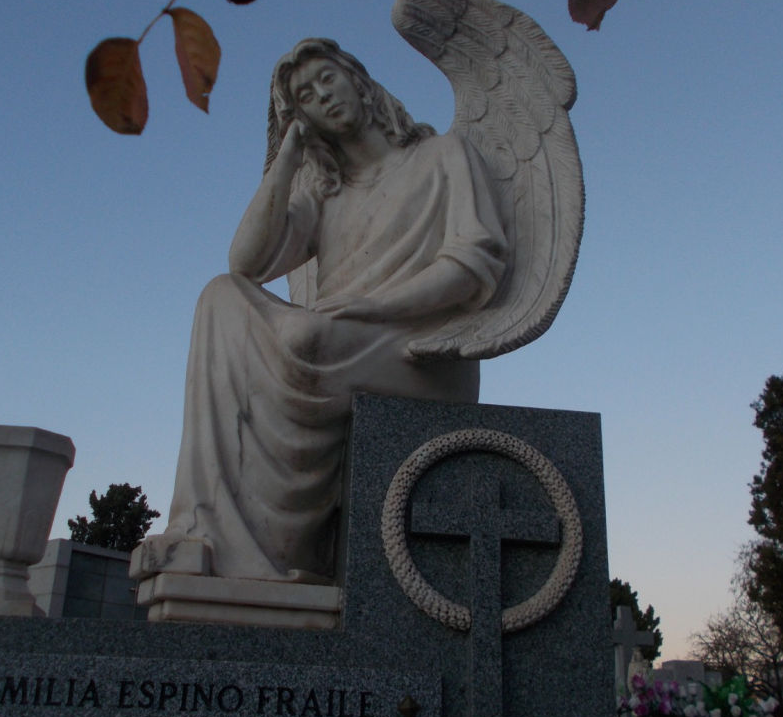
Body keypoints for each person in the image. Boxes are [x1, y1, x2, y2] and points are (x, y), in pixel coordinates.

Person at [134, 39, 507, 584]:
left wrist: (366, 307)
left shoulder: (442, 155)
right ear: (299, 117)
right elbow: (246, 262)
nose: (322, 96)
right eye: (304, 95)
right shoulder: (325, 192)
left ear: (358, 79)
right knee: (220, 297)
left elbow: (473, 267)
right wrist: (286, 162)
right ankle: (206, 530)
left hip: (421, 351)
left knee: (305, 336)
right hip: (333, 342)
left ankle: (287, 548)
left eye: (327, 79)